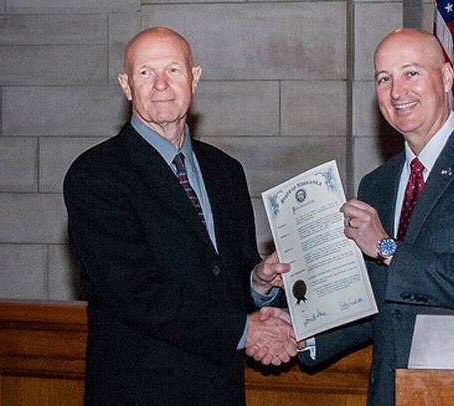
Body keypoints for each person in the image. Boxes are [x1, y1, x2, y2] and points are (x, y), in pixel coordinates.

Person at [255, 28, 454, 405]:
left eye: (411, 73)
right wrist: (305, 330)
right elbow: (378, 300)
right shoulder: (378, 183)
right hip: (391, 394)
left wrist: (387, 247)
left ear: (446, 77)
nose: (397, 91)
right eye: (384, 78)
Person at [63, 27, 297, 405]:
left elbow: (227, 270)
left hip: (220, 389)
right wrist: (244, 331)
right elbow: (137, 293)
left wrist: (257, 281)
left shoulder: (226, 170)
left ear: (194, 78)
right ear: (126, 86)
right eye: (145, 73)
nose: (160, 85)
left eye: (173, 70)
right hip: (139, 391)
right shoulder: (95, 175)